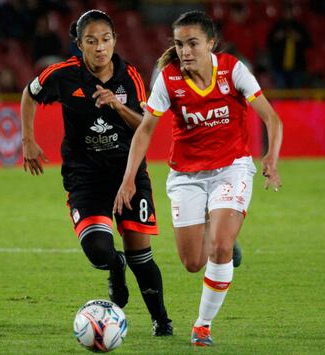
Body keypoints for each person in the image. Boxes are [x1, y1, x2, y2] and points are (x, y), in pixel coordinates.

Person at [114, 10, 282, 346]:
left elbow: (272, 119)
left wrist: (271, 158)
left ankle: (202, 325)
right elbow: (146, 129)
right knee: (193, 262)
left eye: (192, 43)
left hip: (231, 168)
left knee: (218, 249)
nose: (185, 51)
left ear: (211, 43)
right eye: (179, 44)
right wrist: (129, 177)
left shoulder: (233, 70)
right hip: (186, 175)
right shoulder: (169, 79)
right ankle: (220, 233)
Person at [20, 9, 172, 336]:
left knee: (140, 256)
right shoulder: (61, 75)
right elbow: (29, 95)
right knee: (100, 250)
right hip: (85, 178)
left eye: (105, 40)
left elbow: (146, 126)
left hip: (127, 174)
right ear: (79, 44)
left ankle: (162, 321)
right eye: (91, 41)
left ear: (115, 40)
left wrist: (117, 106)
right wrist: (28, 140)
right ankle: (114, 267)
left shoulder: (129, 76)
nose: (100, 47)